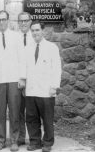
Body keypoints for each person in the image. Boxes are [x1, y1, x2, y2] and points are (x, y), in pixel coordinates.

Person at [0, 10, 26, 151]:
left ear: (8, 20)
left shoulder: (16, 37)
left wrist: (22, 78)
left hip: (14, 79)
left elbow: (22, 58)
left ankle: (14, 140)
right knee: (0, 112)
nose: (1, 22)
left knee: (14, 111)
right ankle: (1, 140)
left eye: (4, 19)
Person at [24, 20, 61, 152]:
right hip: (31, 89)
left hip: (46, 90)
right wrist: (23, 82)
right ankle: (35, 142)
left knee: (47, 118)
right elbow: (25, 67)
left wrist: (53, 87)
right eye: (32, 30)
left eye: (37, 30)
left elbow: (56, 69)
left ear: (43, 31)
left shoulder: (52, 48)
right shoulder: (27, 48)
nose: (35, 33)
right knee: (31, 118)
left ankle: (47, 143)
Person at [16, 12, 34, 146]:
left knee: (33, 112)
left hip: (33, 80)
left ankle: (34, 138)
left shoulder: (35, 37)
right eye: (20, 21)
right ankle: (21, 137)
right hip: (18, 80)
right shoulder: (14, 38)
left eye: (25, 21)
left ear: (30, 21)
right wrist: (20, 78)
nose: (23, 23)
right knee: (19, 110)